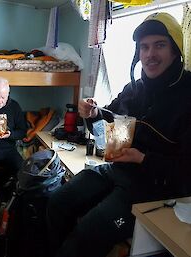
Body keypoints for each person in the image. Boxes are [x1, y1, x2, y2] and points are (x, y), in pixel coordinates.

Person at [47, 12, 191, 257]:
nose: (150, 54)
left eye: (159, 45)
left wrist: (143, 159)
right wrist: (92, 115)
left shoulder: (187, 95)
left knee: (87, 234)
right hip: (118, 170)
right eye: (144, 47)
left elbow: (187, 172)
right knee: (57, 202)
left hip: (155, 190)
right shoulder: (134, 89)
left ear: (176, 50)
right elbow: (105, 127)